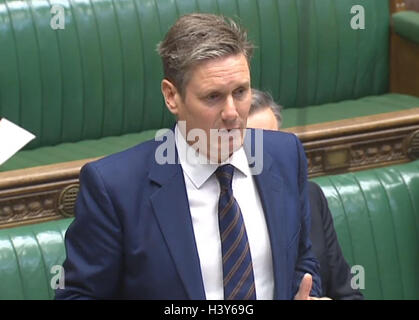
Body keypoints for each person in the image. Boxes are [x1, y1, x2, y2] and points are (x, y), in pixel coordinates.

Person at [55, 13, 322, 300]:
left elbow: (302, 261)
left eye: (241, 92)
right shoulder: (115, 188)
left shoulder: (285, 155)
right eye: (212, 97)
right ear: (171, 96)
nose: (232, 112)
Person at [247, 89, 364, 300]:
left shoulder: (310, 197)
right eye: (256, 148)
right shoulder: (224, 213)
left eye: (275, 141)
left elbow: (348, 293)